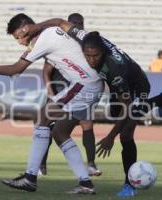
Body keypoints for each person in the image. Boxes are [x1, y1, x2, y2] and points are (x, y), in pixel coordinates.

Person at [23, 18, 162, 197]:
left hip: (136, 85)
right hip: (118, 88)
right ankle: (161, 99)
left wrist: (110, 137)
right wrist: (37, 27)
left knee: (125, 132)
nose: (92, 60)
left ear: (101, 52)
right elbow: (59, 22)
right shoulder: (86, 39)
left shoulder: (116, 72)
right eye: (88, 56)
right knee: (113, 113)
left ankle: (129, 185)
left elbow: (127, 108)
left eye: (95, 56)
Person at [0, 13, 103, 194]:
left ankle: (30, 177)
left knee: (42, 116)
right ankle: (85, 183)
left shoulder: (43, 40)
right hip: (89, 84)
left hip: (85, 85)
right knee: (60, 133)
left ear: (26, 29)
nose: (18, 42)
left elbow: (16, 68)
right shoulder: (50, 33)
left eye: (18, 37)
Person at [40, 12, 102, 177]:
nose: (78, 26)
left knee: (87, 123)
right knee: (47, 125)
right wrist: (51, 94)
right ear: (68, 25)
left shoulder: (86, 45)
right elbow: (46, 72)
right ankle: (41, 165)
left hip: (80, 91)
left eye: (80, 23)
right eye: (74, 23)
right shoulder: (59, 43)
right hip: (59, 90)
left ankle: (91, 165)